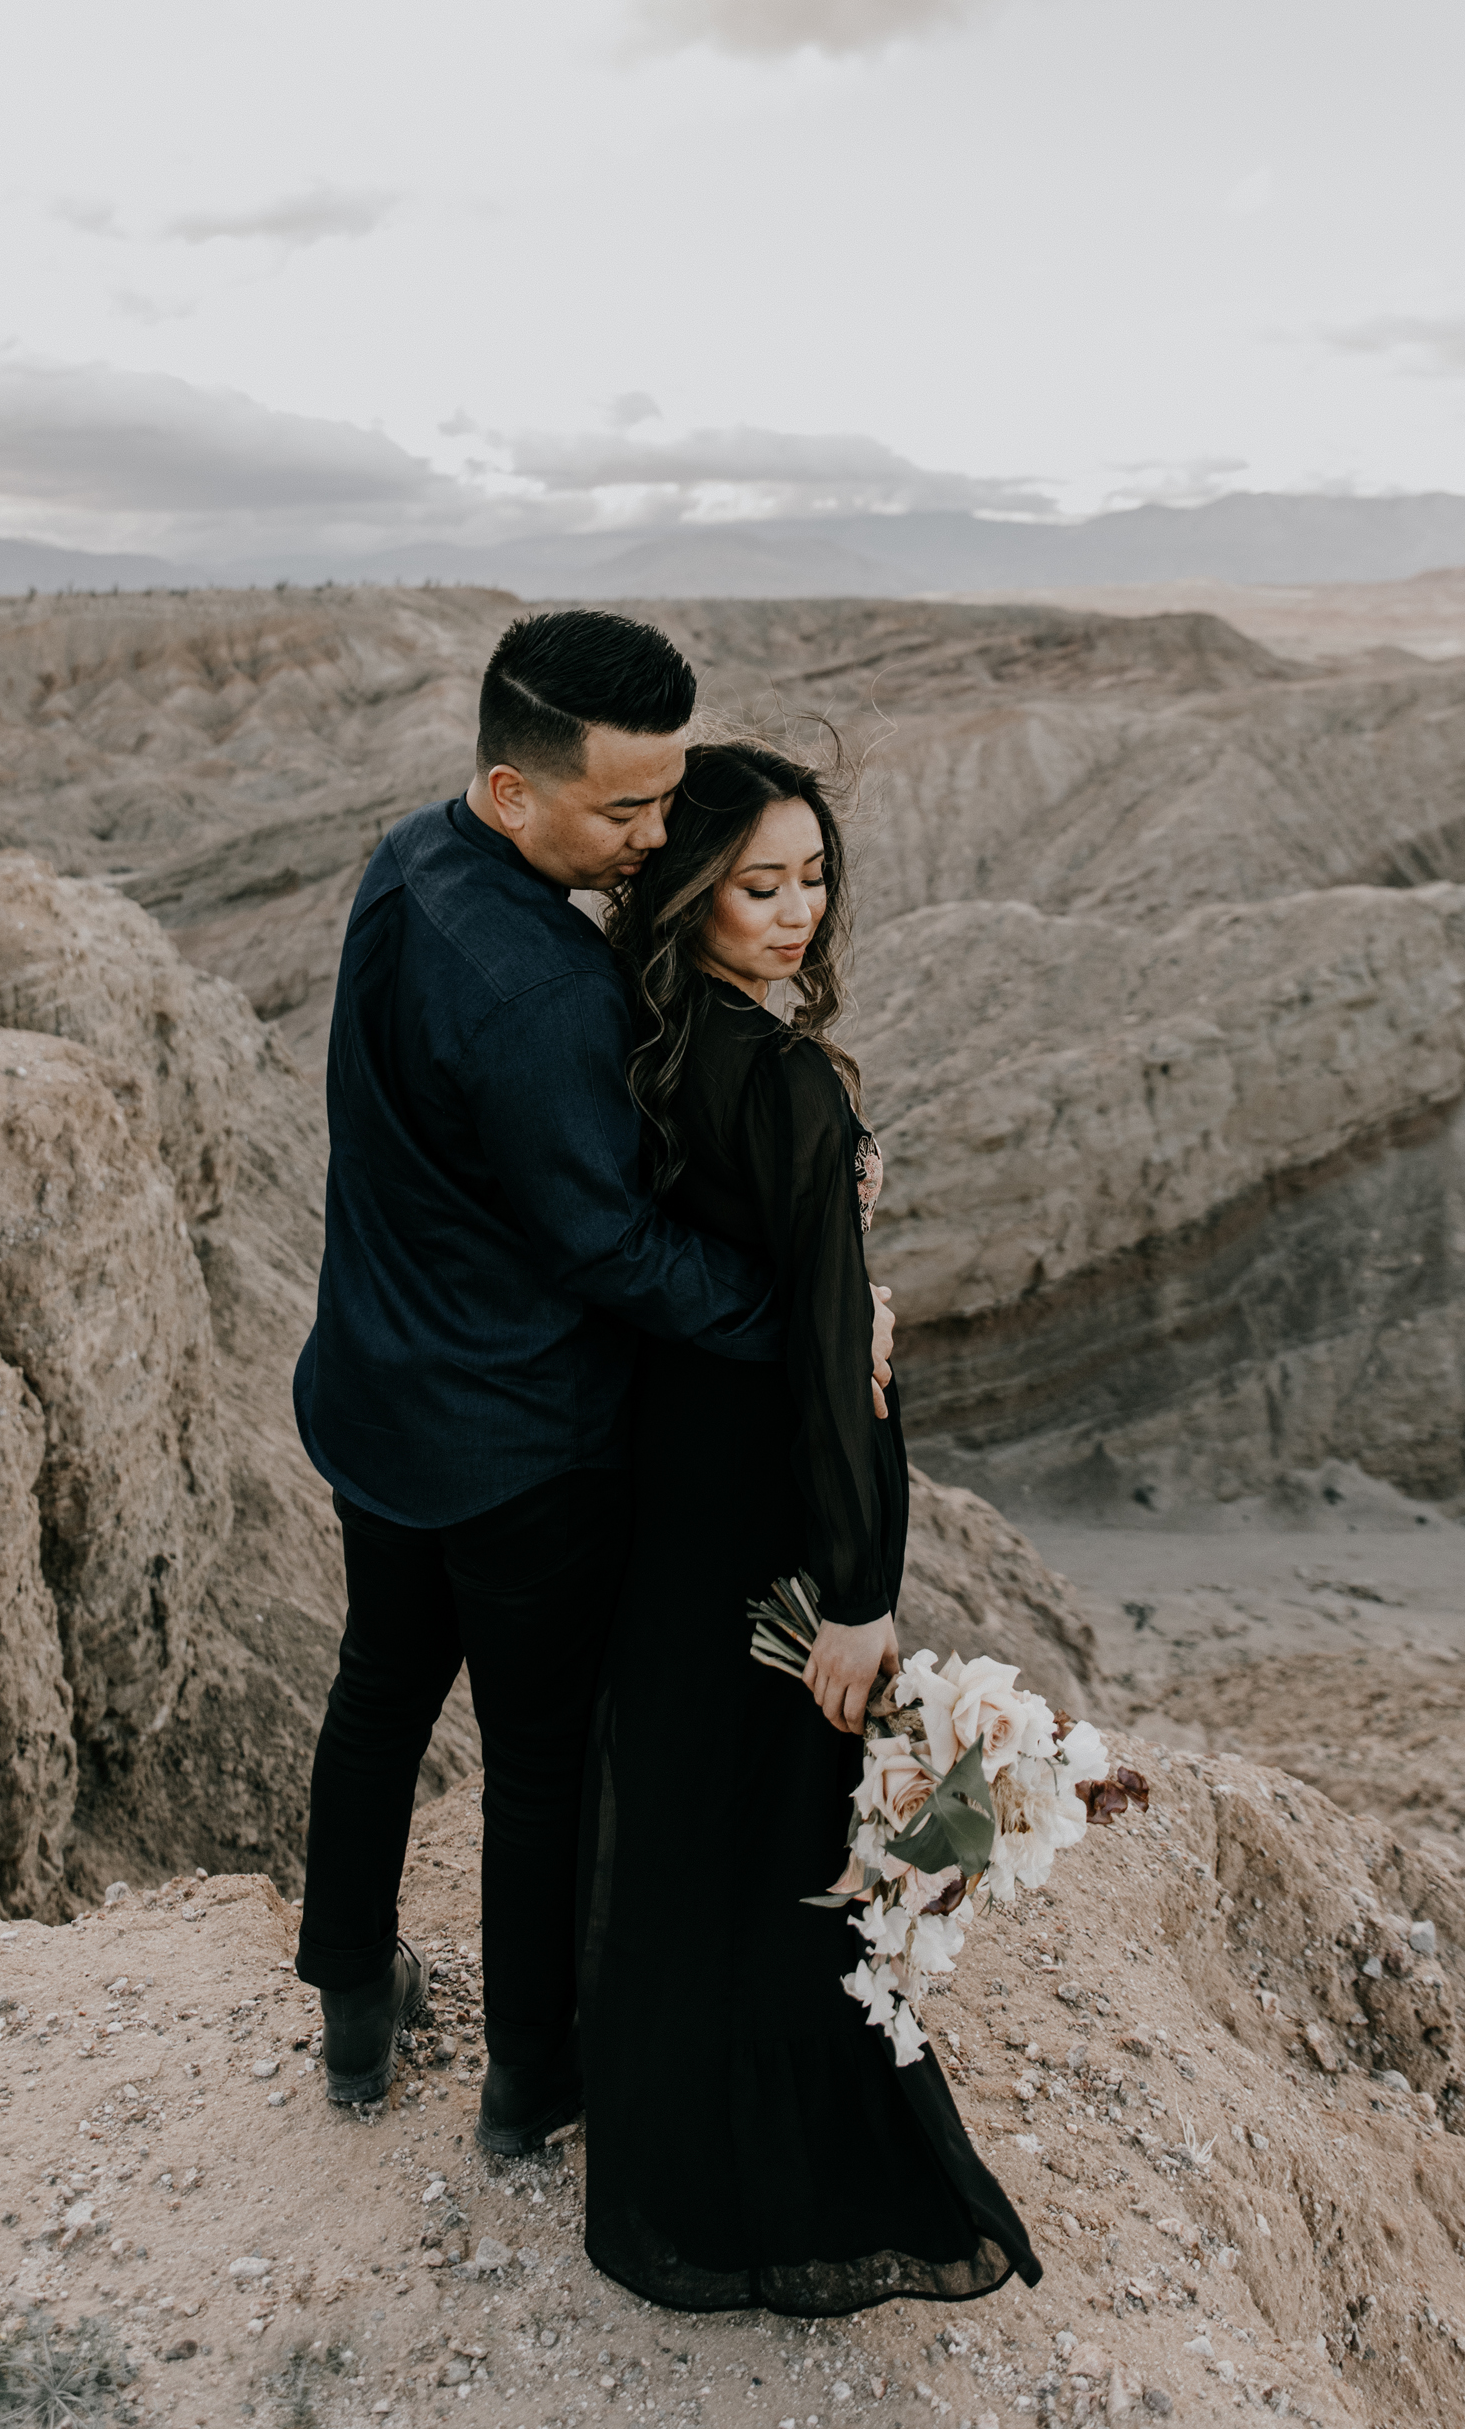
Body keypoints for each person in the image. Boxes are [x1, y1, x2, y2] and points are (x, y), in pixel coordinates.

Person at [291, 614, 896, 2158]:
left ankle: (352, 2008)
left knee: (377, 1694)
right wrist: (801, 1314)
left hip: (374, 1393)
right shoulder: (547, 989)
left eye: (666, 800)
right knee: (540, 1766)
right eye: (624, 811)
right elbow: (611, 1247)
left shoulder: (407, 864)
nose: (651, 839)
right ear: (513, 790)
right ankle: (529, 2084)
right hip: (519, 1443)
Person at [578, 740, 1040, 2314]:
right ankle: (784, 2195)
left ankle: (661, 2167)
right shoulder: (782, 1084)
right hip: (772, 1506)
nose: (794, 913)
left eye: (813, 879)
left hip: (660, 1491)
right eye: (757, 886)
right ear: (692, 891)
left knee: (686, 1823)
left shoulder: (642, 1040)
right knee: (789, 1842)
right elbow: (841, 1368)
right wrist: (855, 1591)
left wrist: (822, 1218)